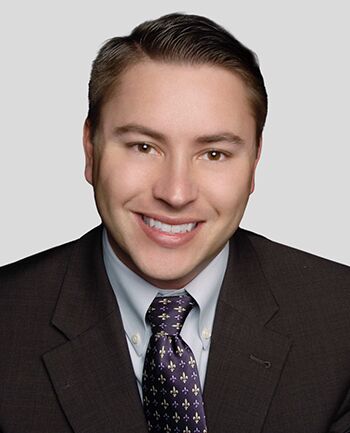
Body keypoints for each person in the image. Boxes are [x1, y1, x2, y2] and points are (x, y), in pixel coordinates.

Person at [0, 12, 349, 433]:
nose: (176, 192)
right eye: (144, 146)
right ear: (90, 151)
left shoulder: (340, 322)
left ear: (255, 163)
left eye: (214, 154)